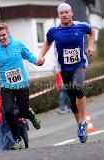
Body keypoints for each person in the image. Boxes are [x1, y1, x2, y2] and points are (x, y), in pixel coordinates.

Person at [39, 3, 95, 143]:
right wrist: (41, 56)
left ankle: (83, 121)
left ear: (71, 13)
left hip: (80, 64)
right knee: (71, 98)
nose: (64, 15)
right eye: (61, 13)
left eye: (66, 12)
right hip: (64, 69)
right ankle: (80, 126)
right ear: (58, 15)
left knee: (77, 86)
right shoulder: (53, 31)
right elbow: (47, 43)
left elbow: (92, 31)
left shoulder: (81, 26)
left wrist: (91, 46)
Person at [0, 22, 43, 150]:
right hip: (6, 86)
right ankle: (18, 139)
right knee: (8, 112)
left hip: (21, 84)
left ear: (8, 34)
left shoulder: (18, 45)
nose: (2, 38)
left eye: (3, 34)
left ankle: (30, 115)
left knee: (23, 111)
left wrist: (37, 61)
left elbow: (29, 55)